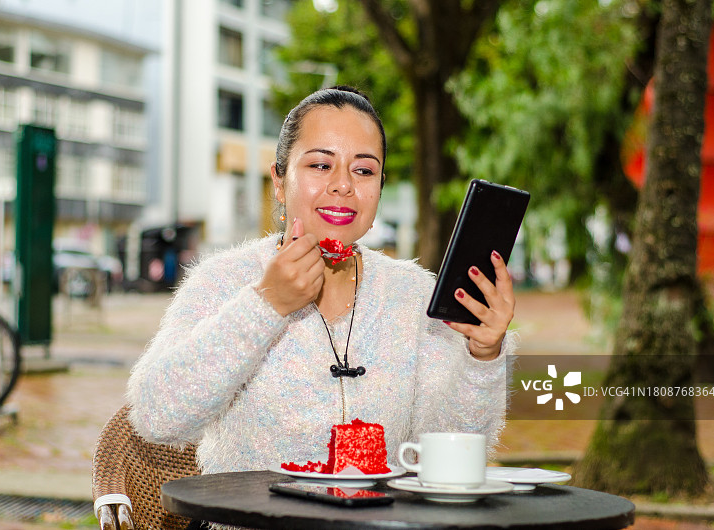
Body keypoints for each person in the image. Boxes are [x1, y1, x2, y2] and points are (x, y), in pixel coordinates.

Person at [126, 86, 517, 475]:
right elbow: (157, 417)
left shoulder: (415, 297)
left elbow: (447, 456)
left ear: (380, 188)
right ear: (279, 182)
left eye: (364, 170)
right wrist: (266, 304)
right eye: (320, 165)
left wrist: (481, 357)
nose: (343, 185)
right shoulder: (223, 281)